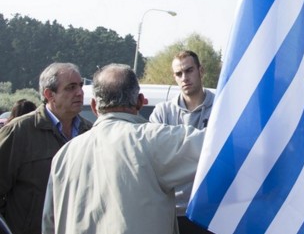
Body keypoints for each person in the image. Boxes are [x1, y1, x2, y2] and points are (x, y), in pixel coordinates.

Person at [42, 64, 207, 234]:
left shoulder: (63, 155)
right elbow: (216, 148)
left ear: (93, 106)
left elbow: (49, 223)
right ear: (139, 102)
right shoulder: (153, 140)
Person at [0, 63, 92, 234]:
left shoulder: (90, 133)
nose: (80, 92)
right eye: (70, 88)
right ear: (49, 94)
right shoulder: (20, 131)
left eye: (80, 86)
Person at [149, 50, 215, 234]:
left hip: (211, 210)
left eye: (189, 70)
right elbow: (156, 158)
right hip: (175, 211)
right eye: (179, 74)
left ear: (200, 71)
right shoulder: (162, 112)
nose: (184, 77)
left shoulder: (220, 107)